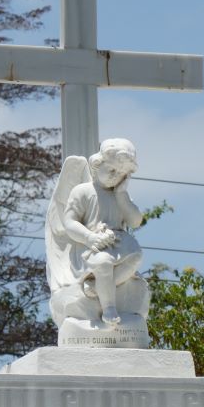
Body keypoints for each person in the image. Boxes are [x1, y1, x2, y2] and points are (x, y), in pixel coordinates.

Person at [60, 138, 144, 325]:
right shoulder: (83, 191)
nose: (115, 176)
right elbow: (69, 222)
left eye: (121, 174)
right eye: (112, 170)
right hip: (90, 246)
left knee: (136, 256)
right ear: (98, 164)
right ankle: (108, 307)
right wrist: (90, 237)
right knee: (104, 262)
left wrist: (122, 195)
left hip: (117, 242)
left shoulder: (120, 196)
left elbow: (135, 221)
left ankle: (99, 288)